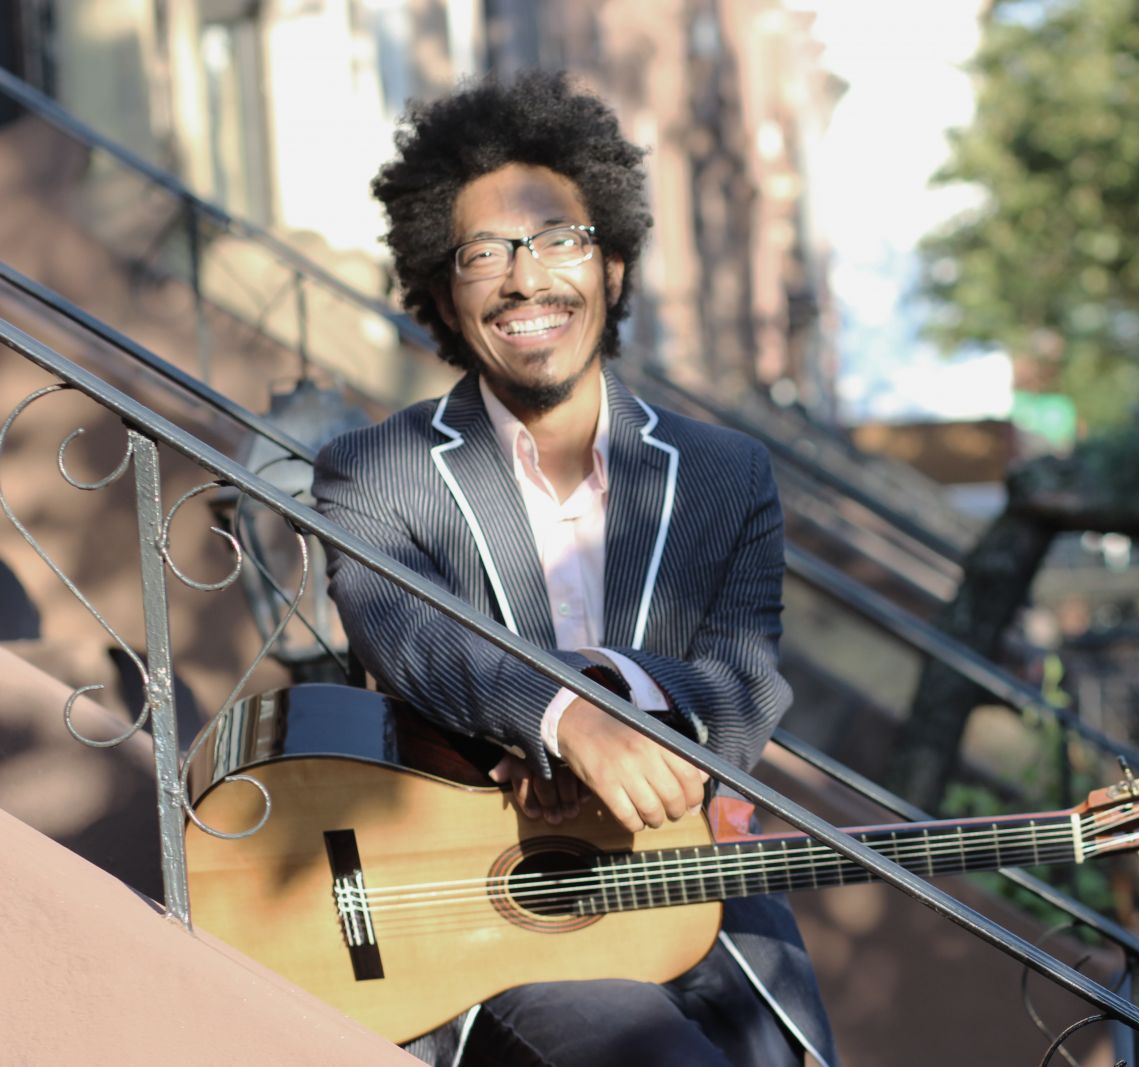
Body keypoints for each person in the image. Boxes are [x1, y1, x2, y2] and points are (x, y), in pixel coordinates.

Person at [312, 70, 835, 1067]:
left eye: (559, 239)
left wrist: (615, 700)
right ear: (438, 292)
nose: (525, 276)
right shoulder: (373, 469)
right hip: (490, 908)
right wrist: (562, 719)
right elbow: (411, 633)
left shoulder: (730, 474)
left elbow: (748, 679)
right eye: (484, 253)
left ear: (615, 269)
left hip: (689, 885)